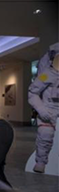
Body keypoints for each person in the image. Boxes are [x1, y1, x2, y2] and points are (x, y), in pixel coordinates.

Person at [28, 42, 59, 173]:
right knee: (45, 134)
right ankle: (41, 161)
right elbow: (33, 91)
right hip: (49, 107)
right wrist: (41, 109)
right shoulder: (47, 74)